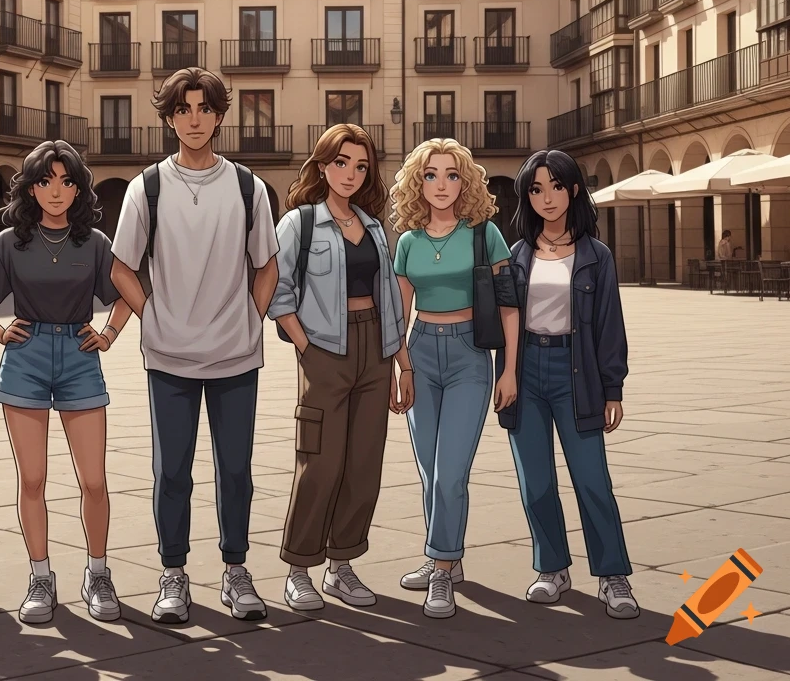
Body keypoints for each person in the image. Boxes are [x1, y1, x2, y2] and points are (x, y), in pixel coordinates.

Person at [110, 67, 280, 624]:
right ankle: (173, 576)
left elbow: (267, 265)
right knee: (171, 473)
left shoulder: (248, 187)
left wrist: (250, 318)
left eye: (205, 108)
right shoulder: (147, 187)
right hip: (170, 358)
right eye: (183, 109)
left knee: (236, 470)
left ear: (220, 115)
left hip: (236, 355)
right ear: (169, 118)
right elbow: (121, 267)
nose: (194, 119)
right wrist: (154, 316)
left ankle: (236, 572)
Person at [0, 141, 133, 625]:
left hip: (79, 356)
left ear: (78, 189)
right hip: (25, 358)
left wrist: (109, 334)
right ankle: (40, 577)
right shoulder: (11, 242)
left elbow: (127, 291)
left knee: (93, 480)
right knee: (32, 479)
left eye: (67, 181)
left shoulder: (95, 243)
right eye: (46, 181)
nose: (56, 191)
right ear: (31, 188)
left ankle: (98, 574)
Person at [268, 124, 409, 611]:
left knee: (364, 464)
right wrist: (306, 346)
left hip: (375, 349)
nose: (351, 174)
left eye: (361, 166)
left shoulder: (374, 227)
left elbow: (389, 297)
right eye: (341, 163)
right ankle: (299, 569)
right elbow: (277, 290)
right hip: (326, 350)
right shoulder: (300, 223)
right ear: (323, 165)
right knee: (320, 464)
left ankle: (342, 565)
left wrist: (401, 363)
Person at [498, 150, 639, 619]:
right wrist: (506, 374)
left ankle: (613, 575)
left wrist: (613, 388)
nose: (547, 198)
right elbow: (506, 322)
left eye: (556, 186)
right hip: (526, 372)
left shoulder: (596, 256)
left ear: (574, 190)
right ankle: (552, 568)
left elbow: (610, 325)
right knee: (535, 482)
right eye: (536, 189)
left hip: (576, 373)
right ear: (527, 197)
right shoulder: (516, 256)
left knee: (592, 480)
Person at [390, 138, 519, 619]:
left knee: (450, 472)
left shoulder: (485, 234)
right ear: (417, 182)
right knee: (429, 470)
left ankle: (441, 570)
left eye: (451, 175)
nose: (441, 184)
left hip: (469, 355)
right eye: (430, 174)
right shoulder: (408, 241)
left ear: (465, 183)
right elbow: (399, 314)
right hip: (421, 351)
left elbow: (508, 306)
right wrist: (401, 367)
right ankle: (444, 556)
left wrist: (509, 369)